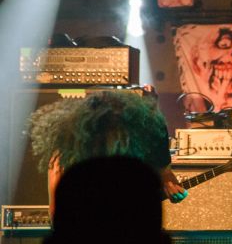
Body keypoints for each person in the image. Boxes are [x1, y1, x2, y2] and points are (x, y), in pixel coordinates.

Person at [29, 88, 186, 216]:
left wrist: (170, 187)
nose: (115, 146)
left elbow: (165, 174)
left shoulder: (152, 133)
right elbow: (56, 209)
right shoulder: (71, 143)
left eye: (121, 140)